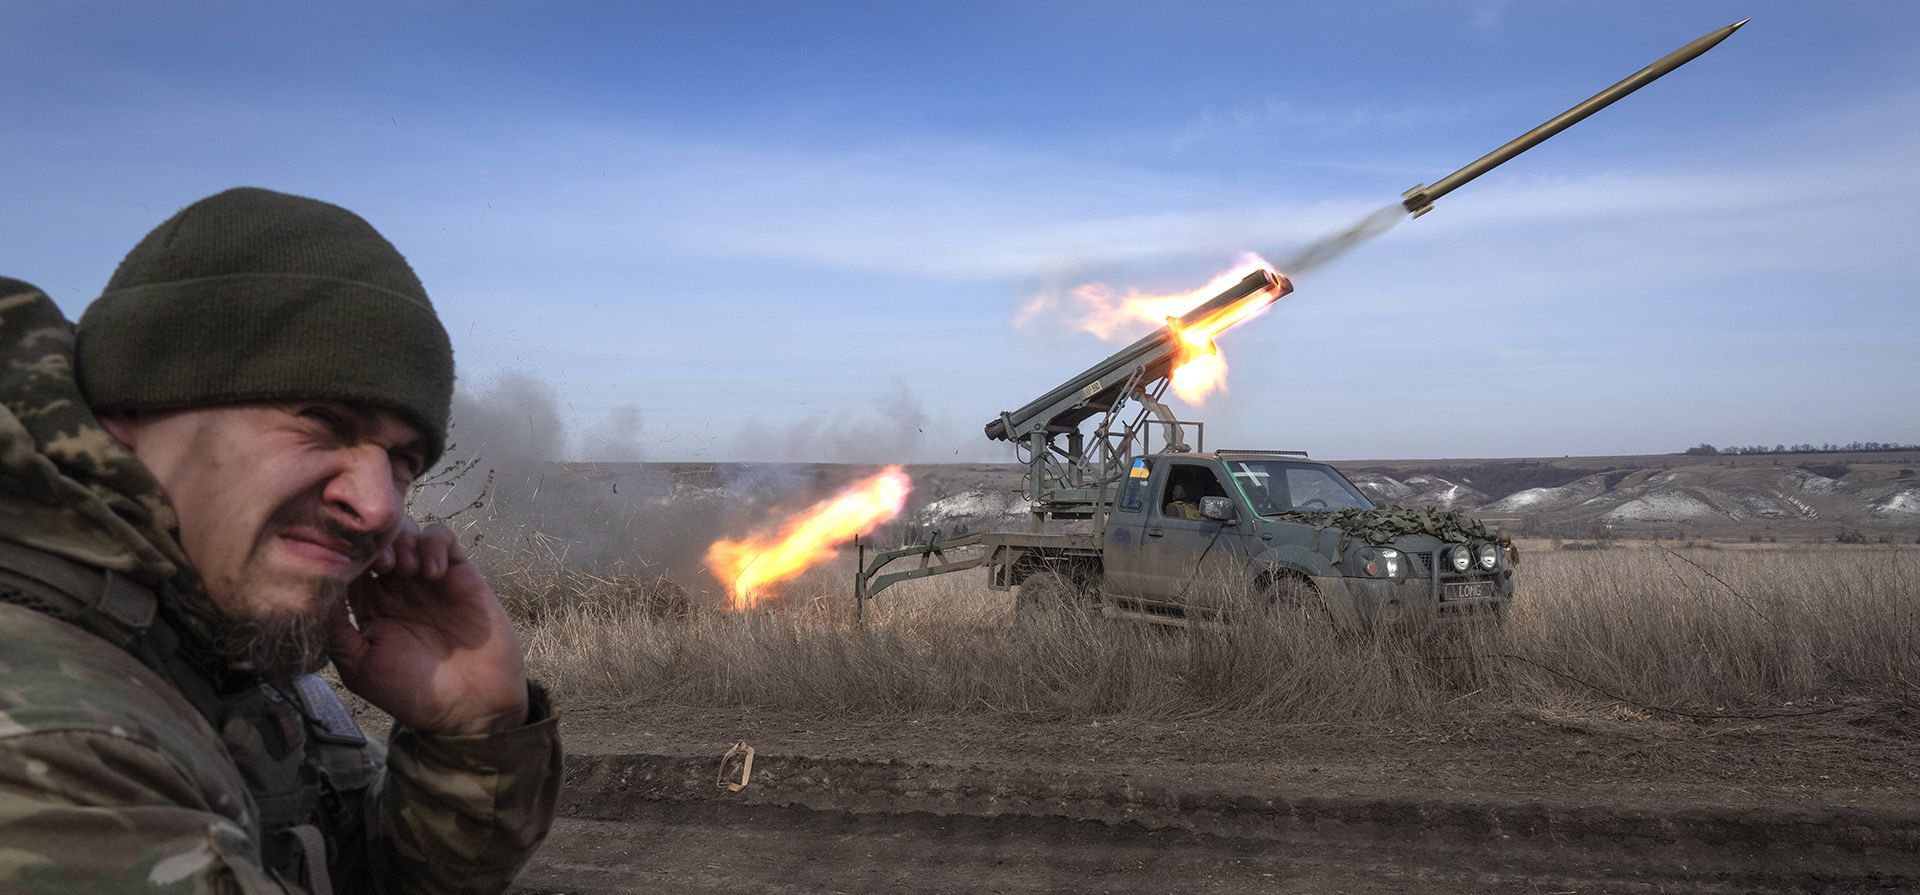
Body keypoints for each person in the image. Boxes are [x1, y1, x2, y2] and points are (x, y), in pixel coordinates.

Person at [0, 188, 562, 892]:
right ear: (127, 407)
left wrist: (471, 733)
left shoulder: (218, 646)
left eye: (403, 460)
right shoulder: (54, 746)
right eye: (322, 420)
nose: (380, 504)